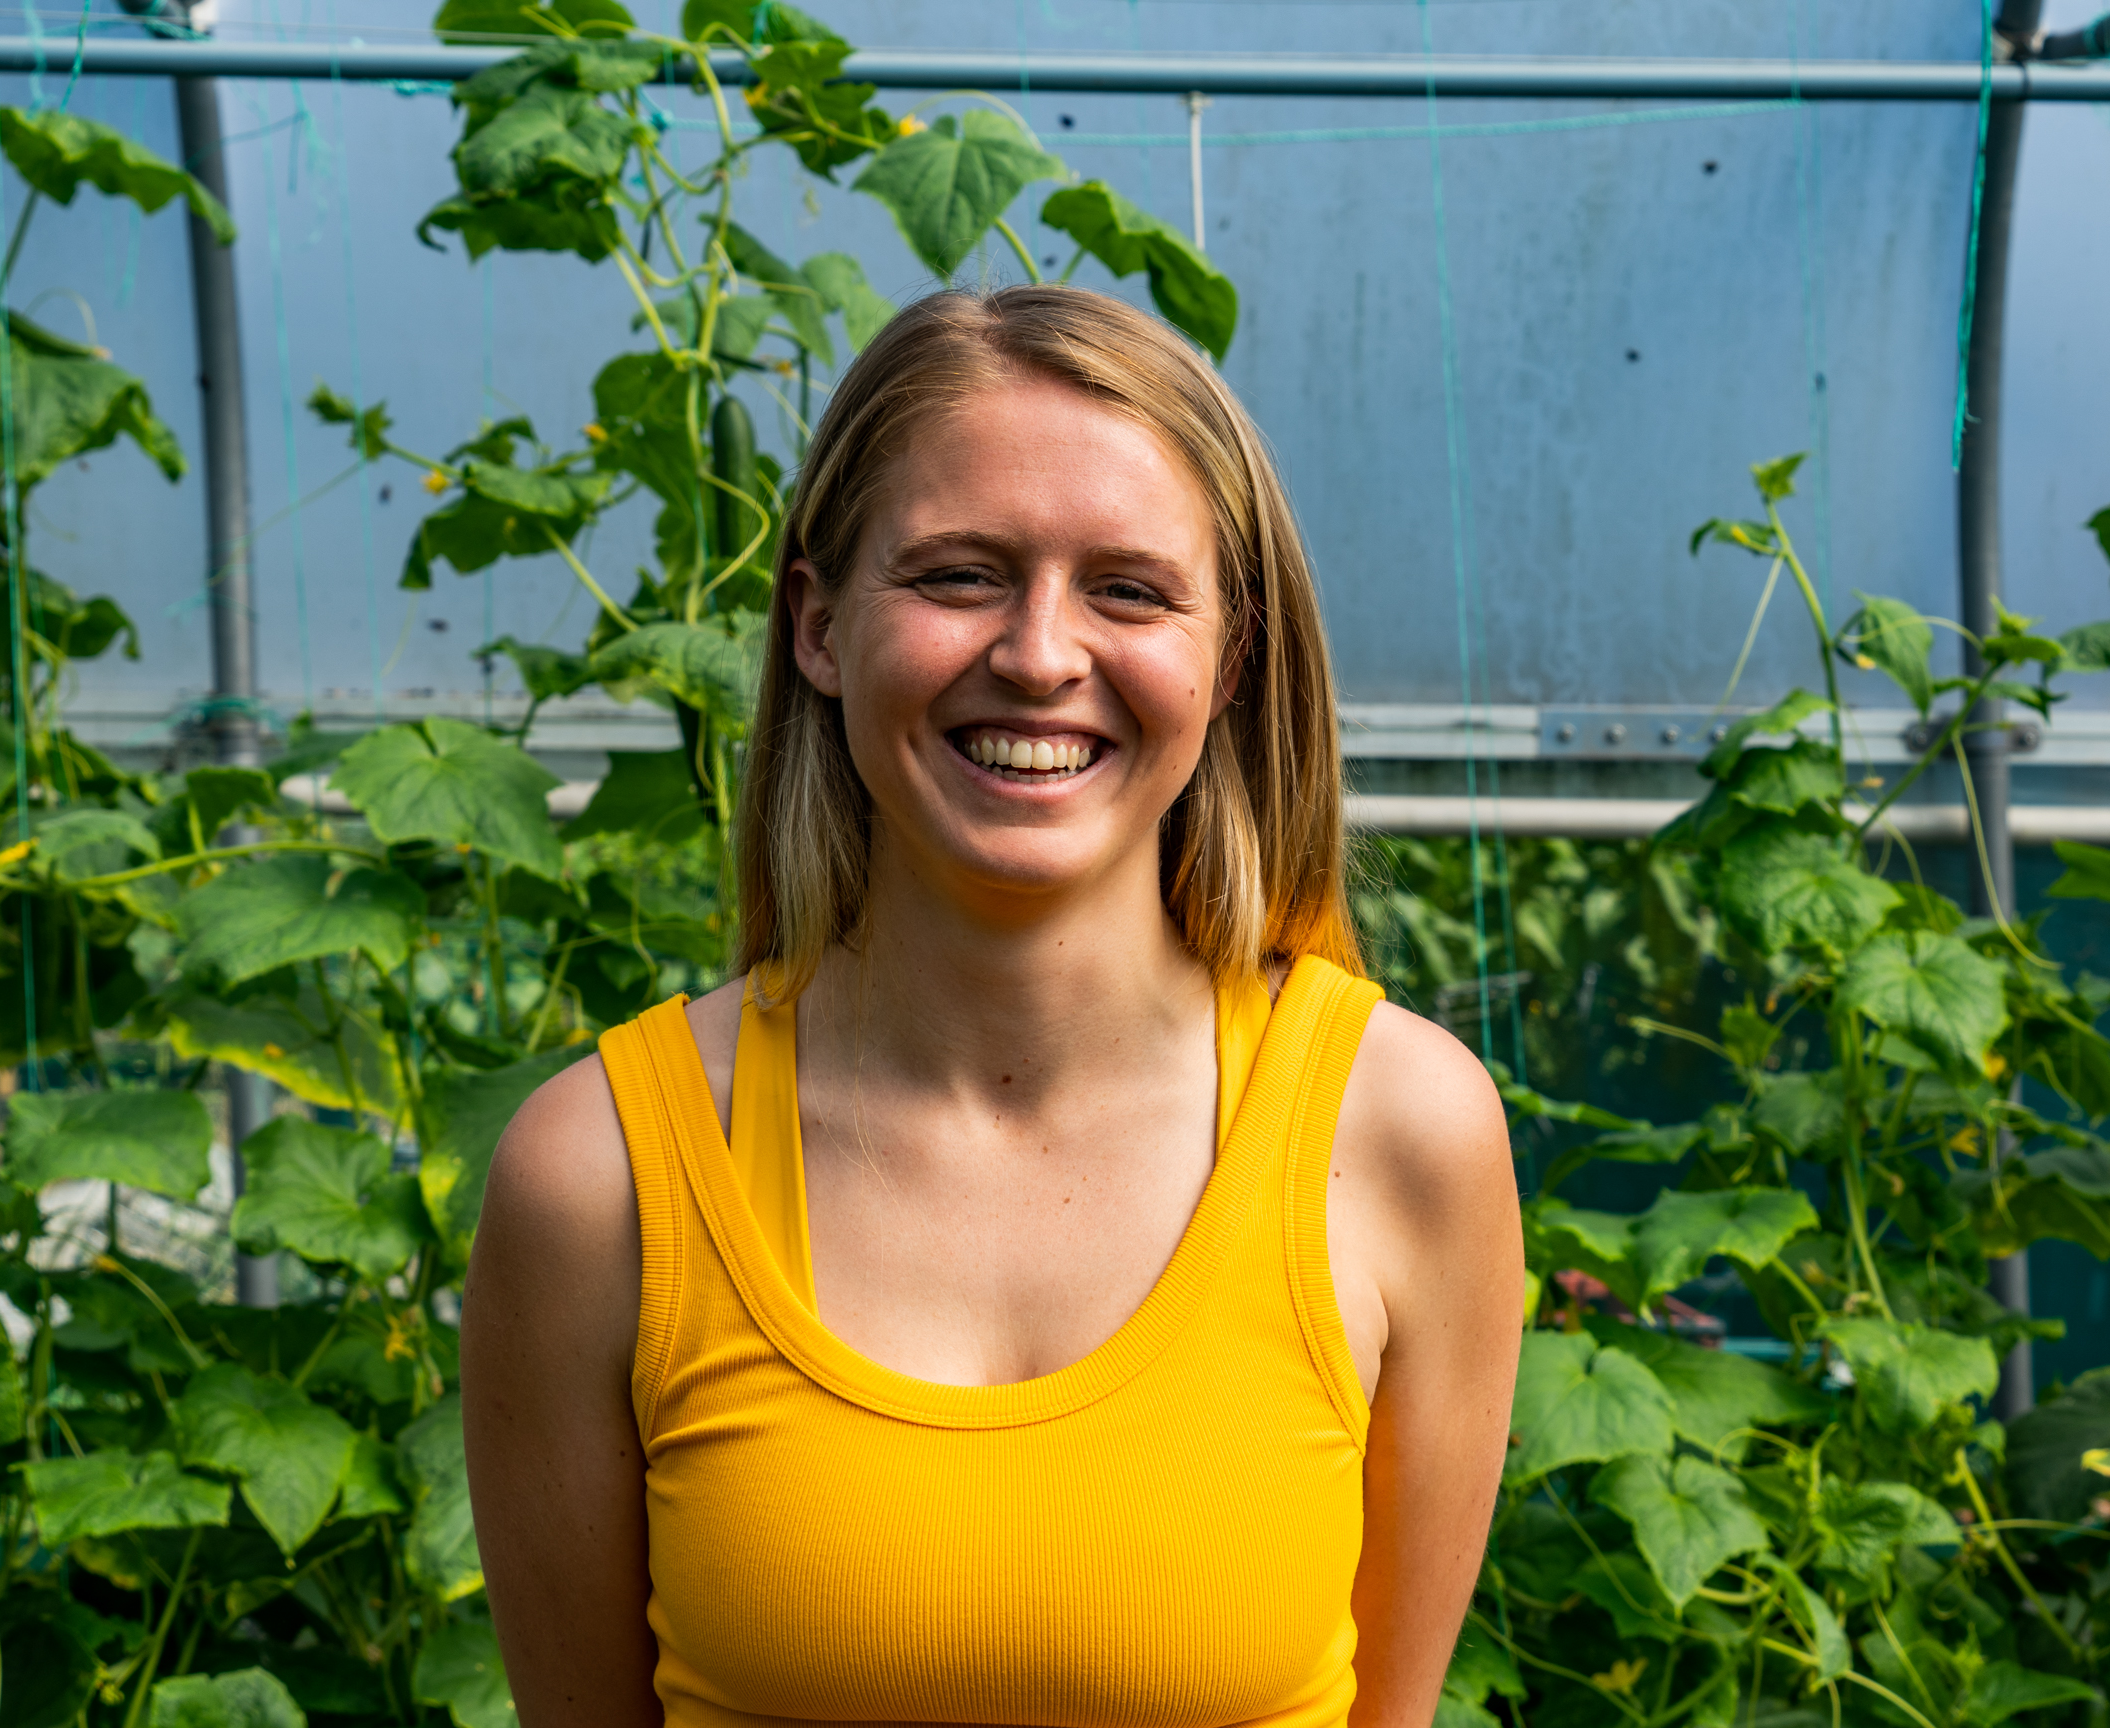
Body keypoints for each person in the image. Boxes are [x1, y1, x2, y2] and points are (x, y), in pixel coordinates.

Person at [460, 285, 1525, 1728]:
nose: (1039, 654)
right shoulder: (602, 1176)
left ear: (1232, 660)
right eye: (960, 576)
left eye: (1130, 590)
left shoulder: (1399, 1134)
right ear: (818, 627)